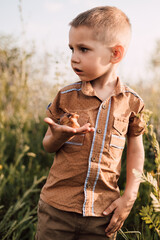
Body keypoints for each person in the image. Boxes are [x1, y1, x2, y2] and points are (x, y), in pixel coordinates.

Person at [36, 6, 145, 240]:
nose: (74, 57)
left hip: (103, 215)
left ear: (115, 54)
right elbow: (47, 145)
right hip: (57, 210)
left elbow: (136, 149)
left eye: (83, 49)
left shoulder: (132, 103)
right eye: (72, 49)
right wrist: (58, 136)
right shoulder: (66, 96)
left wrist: (129, 196)